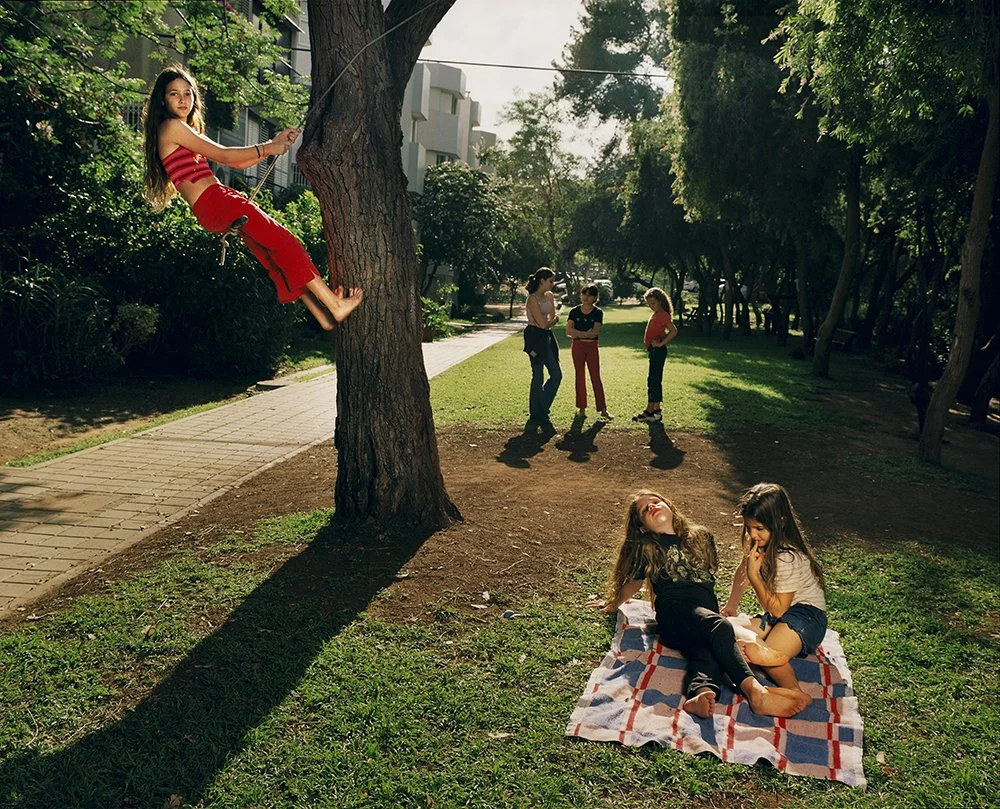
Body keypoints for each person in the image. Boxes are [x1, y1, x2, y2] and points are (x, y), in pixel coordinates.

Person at [141, 64, 362, 330]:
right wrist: (269, 147)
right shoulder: (171, 126)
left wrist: (274, 144)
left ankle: (323, 315)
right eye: (174, 94)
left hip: (213, 206)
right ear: (163, 100)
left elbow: (238, 162)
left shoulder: (178, 131)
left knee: (274, 254)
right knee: (285, 242)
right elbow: (224, 156)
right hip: (216, 201)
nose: (183, 100)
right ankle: (335, 305)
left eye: (188, 93)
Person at [588, 491, 812, 719]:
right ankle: (755, 692)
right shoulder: (648, 547)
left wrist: (731, 604)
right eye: (645, 510)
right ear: (643, 528)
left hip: (704, 617)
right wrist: (613, 603)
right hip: (674, 614)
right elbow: (634, 583)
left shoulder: (701, 537)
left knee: (710, 647)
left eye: (655, 501)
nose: (652, 506)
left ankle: (700, 692)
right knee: (720, 627)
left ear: (669, 506)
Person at [722, 483, 828, 693]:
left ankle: (794, 691)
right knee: (724, 627)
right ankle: (758, 649)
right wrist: (731, 605)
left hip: (806, 617)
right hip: (777, 616)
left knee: (769, 656)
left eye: (759, 528)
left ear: (780, 521)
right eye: (748, 527)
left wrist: (755, 575)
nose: (753, 534)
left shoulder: (787, 557)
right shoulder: (758, 542)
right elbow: (743, 571)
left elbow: (778, 609)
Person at [566, 284, 612, 419]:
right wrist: (585, 334)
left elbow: (595, 332)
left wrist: (578, 333)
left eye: (590, 295)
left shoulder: (598, 312)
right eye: (584, 294)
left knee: (595, 376)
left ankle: (603, 409)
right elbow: (568, 331)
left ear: (595, 297)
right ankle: (581, 408)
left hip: (592, 347)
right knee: (579, 376)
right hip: (577, 346)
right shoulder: (574, 311)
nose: (586, 297)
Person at [523, 267, 562, 425]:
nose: (552, 284)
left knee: (556, 374)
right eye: (550, 281)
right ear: (542, 281)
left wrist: (552, 319)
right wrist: (555, 320)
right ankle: (537, 413)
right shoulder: (532, 299)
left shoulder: (549, 296)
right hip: (534, 337)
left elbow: (550, 318)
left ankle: (542, 409)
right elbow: (542, 324)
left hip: (546, 337)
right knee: (538, 375)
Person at [632, 287, 678, 423]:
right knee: (652, 380)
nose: (651, 306)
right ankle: (651, 410)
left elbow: (674, 331)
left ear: (660, 301)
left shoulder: (662, 314)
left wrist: (660, 343)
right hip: (653, 351)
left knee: (654, 380)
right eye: (649, 304)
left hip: (658, 351)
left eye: (653, 303)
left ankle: (655, 411)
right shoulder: (657, 314)